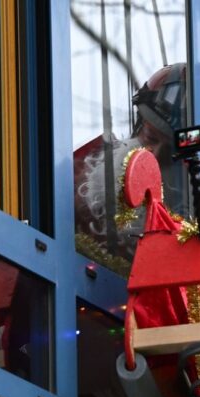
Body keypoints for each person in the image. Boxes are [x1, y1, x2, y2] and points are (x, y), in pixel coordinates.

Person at [74, 63, 188, 265]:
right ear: (138, 126)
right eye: (151, 138)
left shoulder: (187, 229)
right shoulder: (75, 173)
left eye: (170, 151)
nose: (154, 155)